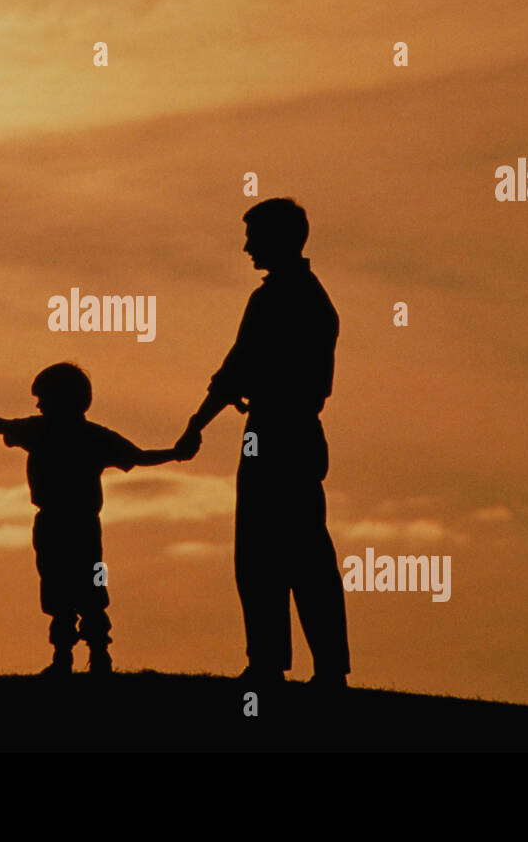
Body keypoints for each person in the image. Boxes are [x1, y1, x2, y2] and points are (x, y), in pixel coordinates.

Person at [176, 197, 351, 690]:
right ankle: (315, 667)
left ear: (279, 238)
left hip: (277, 432)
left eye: (254, 236)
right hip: (288, 431)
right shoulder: (309, 297)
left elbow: (238, 368)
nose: (247, 246)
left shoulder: (277, 299)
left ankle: (276, 665)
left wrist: (198, 421)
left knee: (271, 552)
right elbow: (242, 370)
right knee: (299, 552)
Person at [0, 362, 193, 677]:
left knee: (63, 588)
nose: (37, 404)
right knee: (75, 588)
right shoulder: (89, 435)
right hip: (77, 526)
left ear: (61, 398)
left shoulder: (40, 431)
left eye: (43, 397)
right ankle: (86, 656)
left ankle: (77, 657)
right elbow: (139, 456)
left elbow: (1, 424)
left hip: (65, 525)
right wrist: (175, 453)